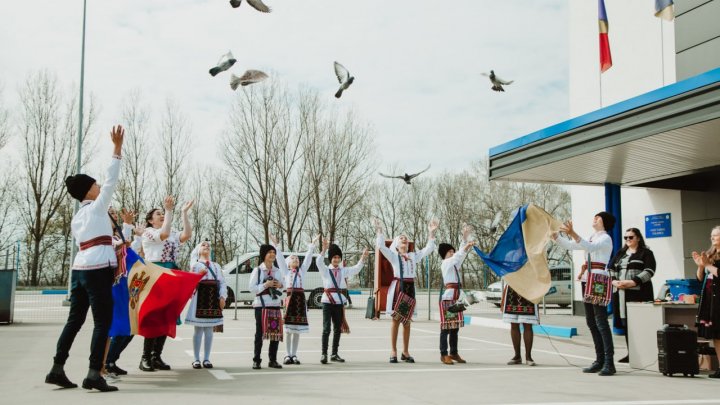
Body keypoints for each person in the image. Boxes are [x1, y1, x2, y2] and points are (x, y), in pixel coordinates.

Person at [45, 125, 124, 392]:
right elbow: (111, 180)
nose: (99, 187)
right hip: (98, 268)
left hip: (79, 269)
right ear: (89, 191)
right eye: (95, 185)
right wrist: (116, 149)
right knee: (103, 321)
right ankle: (93, 373)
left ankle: (57, 367)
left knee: (75, 320)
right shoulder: (98, 206)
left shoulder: (78, 217)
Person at [552, 211, 616, 376]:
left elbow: (589, 247)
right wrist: (557, 237)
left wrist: (572, 233)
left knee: (600, 320)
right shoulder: (592, 236)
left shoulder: (605, 238)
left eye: (598, 217)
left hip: (599, 279)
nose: (594, 218)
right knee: (591, 321)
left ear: (605, 221)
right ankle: (599, 359)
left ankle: (609, 362)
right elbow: (574, 245)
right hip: (588, 279)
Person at [139, 195, 193, 371]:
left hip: (170, 273)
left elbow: (186, 235)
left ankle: (156, 356)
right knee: (154, 316)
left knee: (167, 316)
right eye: (158, 214)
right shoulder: (149, 233)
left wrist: (184, 213)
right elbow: (164, 233)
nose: (161, 215)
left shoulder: (171, 232)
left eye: (163, 213)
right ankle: (145, 357)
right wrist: (169, 210)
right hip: (155, 273)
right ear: (150, 220)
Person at [374, 217, 438, 363]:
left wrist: (431, 233)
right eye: (401, 238)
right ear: (397, 244)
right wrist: (379, 231)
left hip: (410, 288)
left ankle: (406, 351)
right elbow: (382, 247)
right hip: (399, 287)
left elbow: (428, 249)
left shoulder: (413, 256)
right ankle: (393, 351)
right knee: (396, 320)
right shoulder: (394, 256)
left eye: (406, 238)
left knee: (407, 321)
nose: (404, 239)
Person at [315, 239, 368, 364]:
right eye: (334, 257)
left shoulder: (343, 270)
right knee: (326, 328)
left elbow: (356, 269)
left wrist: (363, 258)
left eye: (338, 257)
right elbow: (318, 261)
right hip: (327, 302)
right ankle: (324, 354)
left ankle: (334, 353)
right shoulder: (325, 271)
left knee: (337, 328)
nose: (336, 259)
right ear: (330, 258)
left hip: (339, 302)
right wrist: (323, 249)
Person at [608, 227, 656, 363]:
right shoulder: (621, 253)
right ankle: (632, 353)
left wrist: (633, 282)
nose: (628, 240)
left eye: (631, 237)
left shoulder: (646, 253)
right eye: (626, 238)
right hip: (621, 294)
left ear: (638, 238)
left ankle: (645, 354)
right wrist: (615, 282)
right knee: (626, 324)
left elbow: (649, 271)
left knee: (639, 324)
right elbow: (610, 269)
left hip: (639, 294)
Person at [105, 209, 144, 376]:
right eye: (110, 213)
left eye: (115, 213)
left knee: (131, 328)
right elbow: (122, 246)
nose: (114, 216)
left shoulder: (117, 237)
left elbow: (129, 250)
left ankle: (112, 360)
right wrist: (127, 225)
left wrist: (138, 236)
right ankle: (106, 362)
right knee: (120, 326)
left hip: (126, 286)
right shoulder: (106, 239)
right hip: (113, 285)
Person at [185, 241, 227, 369]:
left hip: (213, 297)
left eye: (209, 246)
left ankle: (207, 358)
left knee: (209, 330)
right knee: (198, 330)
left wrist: (222, 296)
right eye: (203, 245)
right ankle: (196, 359)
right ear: (198, 250)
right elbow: (190, 281)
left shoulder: (216, 266)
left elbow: (222, 282)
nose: (207, 246)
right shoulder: (195, 265)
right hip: (200, 297)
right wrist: (199, 275)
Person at [278, 235, 319, 365]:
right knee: (288, 330)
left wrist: (311, 246)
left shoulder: (302, 271)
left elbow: (307, 260)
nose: (296, 259)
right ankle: (287, 355)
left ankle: (294, 355)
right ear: (288, 263)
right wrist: (277, 247)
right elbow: (279, 260)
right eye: (293, 258)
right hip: (290, 300)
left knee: (297, 331)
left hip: (300, 300)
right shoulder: (286, 272)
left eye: (297, 258)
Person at [438, 224, 475, 365]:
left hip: (457, 296)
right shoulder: (446, 263)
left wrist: (464, 238)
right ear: (445, 254)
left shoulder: (454, 264)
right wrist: (464, 248)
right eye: (450, 252)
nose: (453, 254)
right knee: (446, 326)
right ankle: (443, 353)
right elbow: (459, 255)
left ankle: (454, 352)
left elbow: (460, 255)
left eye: (453, 251)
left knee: (455, 326)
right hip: (448, 297)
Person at [249, 239, 286, 370]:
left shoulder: (277, 271)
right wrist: (266, 284)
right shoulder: (257, 271)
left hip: (275, 304)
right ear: (263, 255)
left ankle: (273, 360)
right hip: (261, 305)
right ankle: (256, 360)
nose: (272, 254)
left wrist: (280, 285)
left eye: (273, 252)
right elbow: (252, 288)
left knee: (275, 333)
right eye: (269, 252)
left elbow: (283, 286)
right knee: (259, 333)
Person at [693, 226, 720, 378]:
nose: (712, 238)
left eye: (716, 235)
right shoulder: (710, 254)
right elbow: (700, 278)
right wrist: (700, 267)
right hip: (710, 299)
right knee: (717, 335)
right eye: (711, 235)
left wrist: (708, 265)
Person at [502, 284, 538, 367]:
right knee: (513, 324)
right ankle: (517, 356)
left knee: (528, 325)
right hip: (512, 289)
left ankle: (528, 357)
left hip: (528, 288)